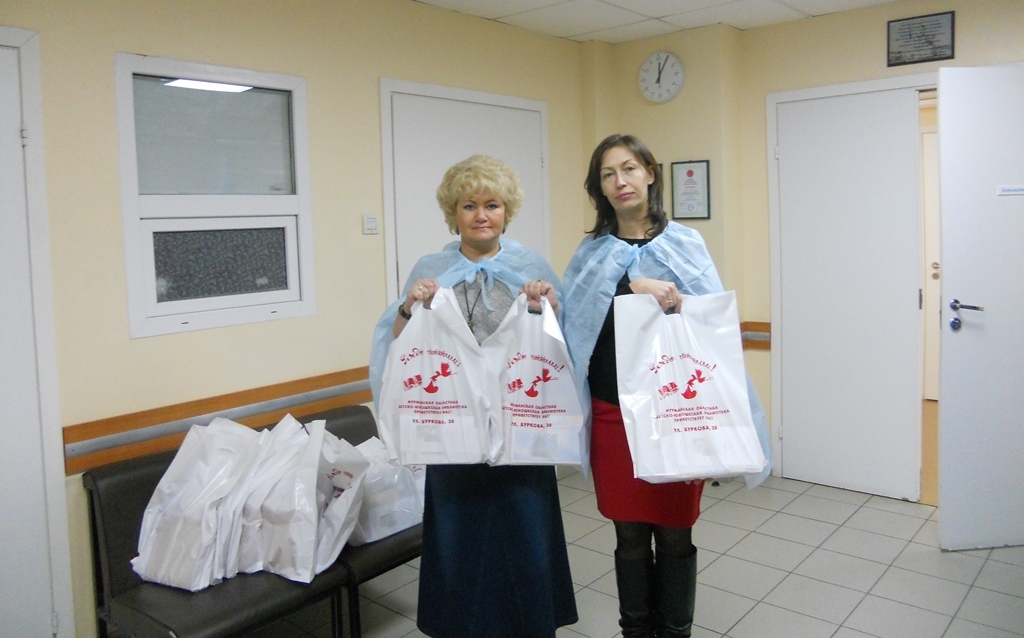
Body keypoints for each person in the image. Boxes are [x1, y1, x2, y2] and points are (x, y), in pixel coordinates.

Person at [562, 134, 771, 638]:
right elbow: (576, 326)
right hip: (613, 413)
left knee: (676, 534)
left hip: (677, 415)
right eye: (608, 174)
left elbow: (711, 329)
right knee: (629, 535)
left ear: (650, 173)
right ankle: (635, 630)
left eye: (629, 168)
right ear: (599, 188)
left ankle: (676, 631)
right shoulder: (591, 253)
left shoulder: (685, 243)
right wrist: (628, 288)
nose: (620, 181)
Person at [369, 154, 578, 638]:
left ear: (507, 211)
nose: (481, 215)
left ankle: (532, 626)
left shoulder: (531, 266)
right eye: (469, 206)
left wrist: (547, 303)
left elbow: (561, 343)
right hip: (453, 426)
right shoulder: (431, 269)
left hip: (519, 424)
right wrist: (409, 305)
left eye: (492, 205)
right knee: (458, 534)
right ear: (453, 213)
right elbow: (399, 340)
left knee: (525, 530)